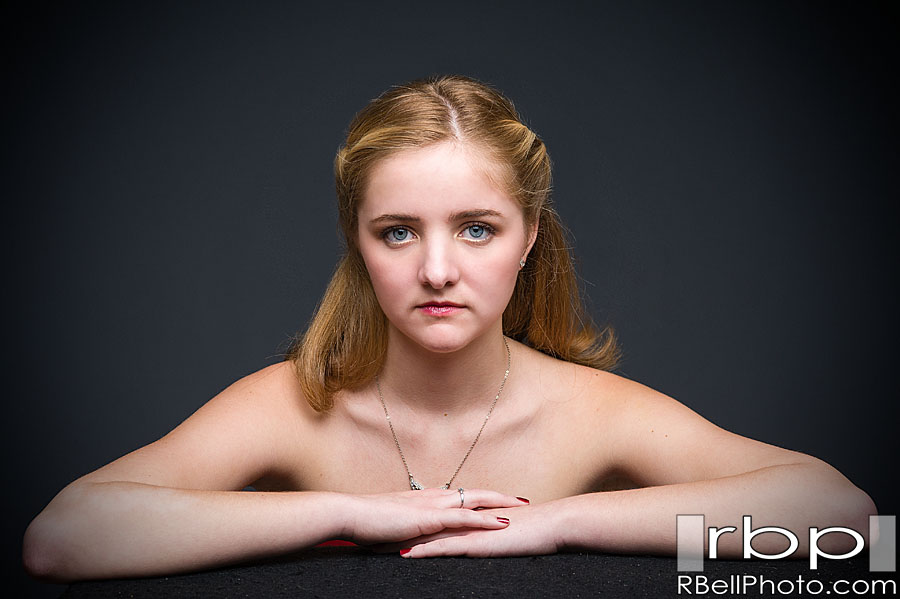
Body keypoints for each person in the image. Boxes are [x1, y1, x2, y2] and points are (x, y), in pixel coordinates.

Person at [23, 75, 875, 582]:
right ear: (357, 242)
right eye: (398, 231)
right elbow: (60, 539)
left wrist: (560, 522)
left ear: (529, 236)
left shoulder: (594, 411)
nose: (437, 269)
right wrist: (351, 513)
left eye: (476, 228)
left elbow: (847, 520)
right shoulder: (290, 405)